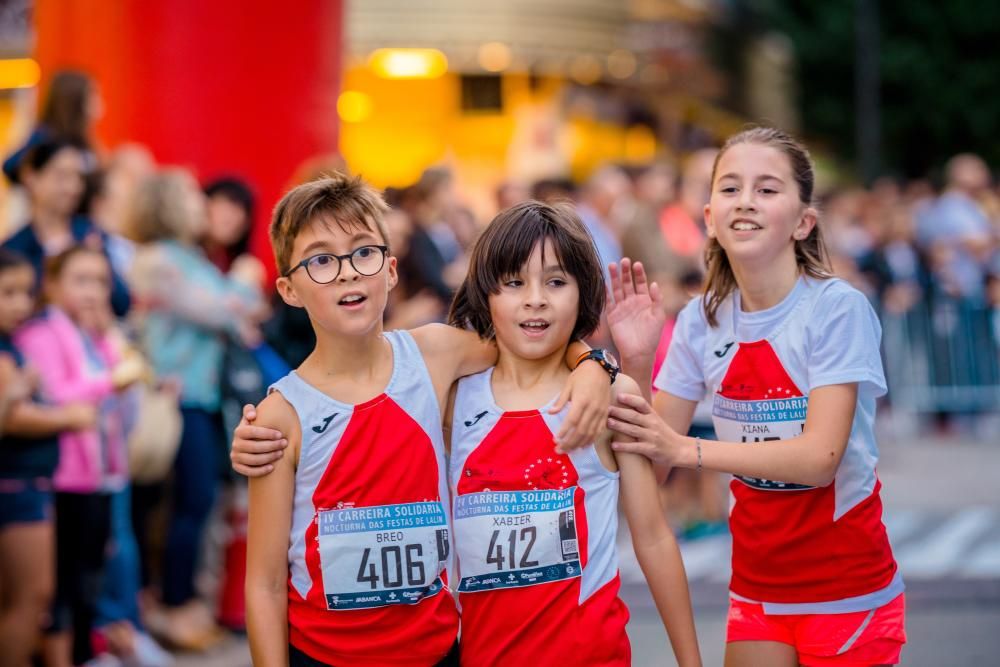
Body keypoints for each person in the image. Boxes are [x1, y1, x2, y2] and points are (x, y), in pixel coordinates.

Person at [237, 174, 611, 666]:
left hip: (436, 653)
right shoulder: (279, 416)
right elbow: (264, 584)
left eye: (363, 252)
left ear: (390, 270)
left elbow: (530, 334)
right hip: (323, 657)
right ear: (288, 288)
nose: (348, 272)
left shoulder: (433, 354)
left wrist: (592, 366)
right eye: (322, 260)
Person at [604, 127, 907, 666]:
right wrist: (636, 360)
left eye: (767, 189)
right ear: (709, 219)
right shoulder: (700, 320)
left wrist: (689, 450)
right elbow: (650, 468)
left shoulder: (837, 309)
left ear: (803, 221)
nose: (746, 201)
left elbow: (819, 460)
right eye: (730, 188)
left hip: (848, 591)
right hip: (757, 589)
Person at [446, 201, 701, 665]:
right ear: (485, 293)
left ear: (584, 294)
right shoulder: (451, 400)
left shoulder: (610, 394)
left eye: (557, 281)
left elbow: (653, 537)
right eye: (514, 282)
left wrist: (691, 661)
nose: (536, 298)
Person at [126, 169, 266, 649]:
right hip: (176, 396)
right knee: (187, 502)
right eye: (189, 197)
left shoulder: (190, 258)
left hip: (202, 398)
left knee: (197, 500)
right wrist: (246, 284)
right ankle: (172, 604)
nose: (199, 205)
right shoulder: (159, 260)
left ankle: (179, 602)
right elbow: (223, 310)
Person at [15, 246, 144, 666]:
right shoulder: (41, 333)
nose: (93, 292)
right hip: (63, 477)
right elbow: (54, 395)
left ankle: (88, 653)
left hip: (99, 474)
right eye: (81, 280)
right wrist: (109, 380)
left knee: (90, 577)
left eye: (101, 282)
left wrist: (106, 341)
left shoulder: (91, 333)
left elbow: (118, 393)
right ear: (52, 285)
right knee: (64, 585)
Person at [0, 249, 99, 667]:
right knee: (30, 596)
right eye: (8, 292)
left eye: (26, 292)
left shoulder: (11, 345)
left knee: (28, 597)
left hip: (30, 482)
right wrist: (66, 416)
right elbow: (9, 417)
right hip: (17, 486)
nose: (22, 303)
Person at [2, 138, 131, 317]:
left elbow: (122, 302)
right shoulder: (14, 248)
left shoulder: (90, 233)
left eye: (77, 177)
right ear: (31, 177)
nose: (73, 187)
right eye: (61, 176)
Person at [2, 70, 103, 185]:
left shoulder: (84, 141)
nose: (99, 107)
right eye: (93, 97)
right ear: (75, 102)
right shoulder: (46, 137)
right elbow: (10, 166)